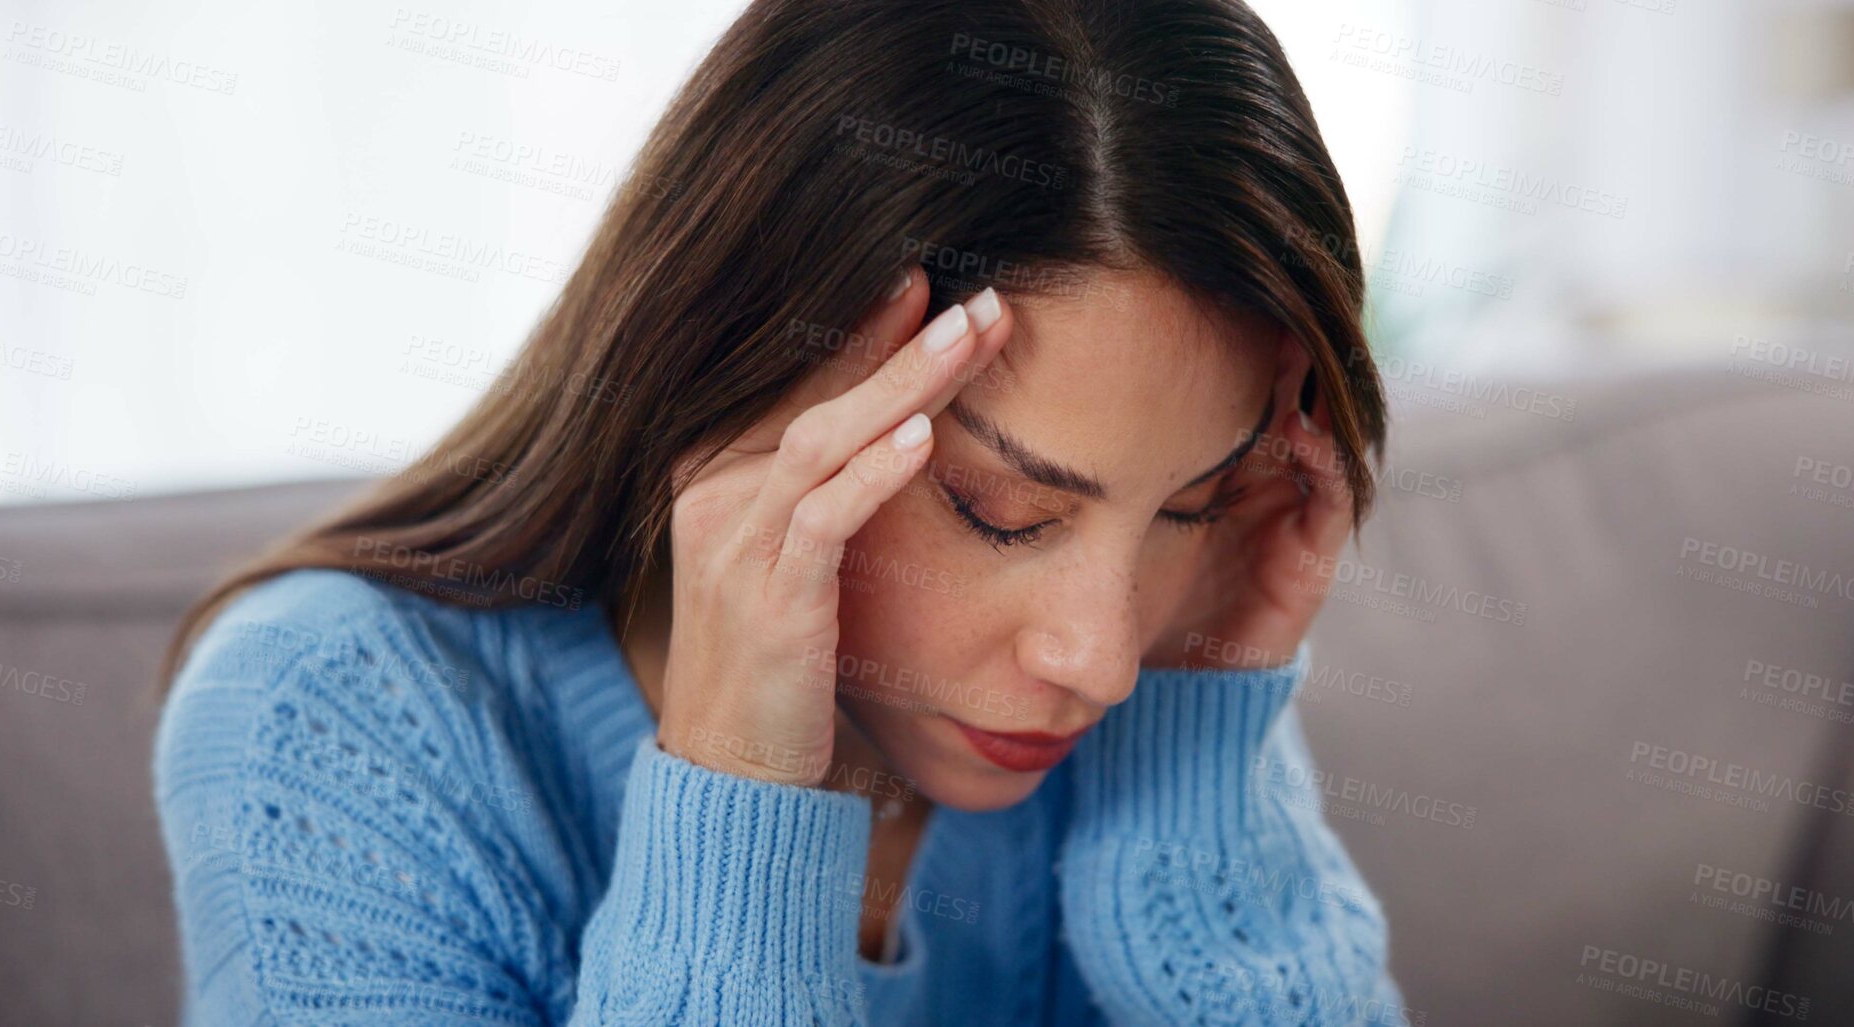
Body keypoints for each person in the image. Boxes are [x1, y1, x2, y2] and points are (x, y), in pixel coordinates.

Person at [154, 0, 1404, 1022]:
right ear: (728, 372)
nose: (1101, 659)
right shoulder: (326, 720)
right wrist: (738, 785)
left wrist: (1202, 738)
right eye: (1002, 510)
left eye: (1191, 503)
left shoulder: (1151, 671)